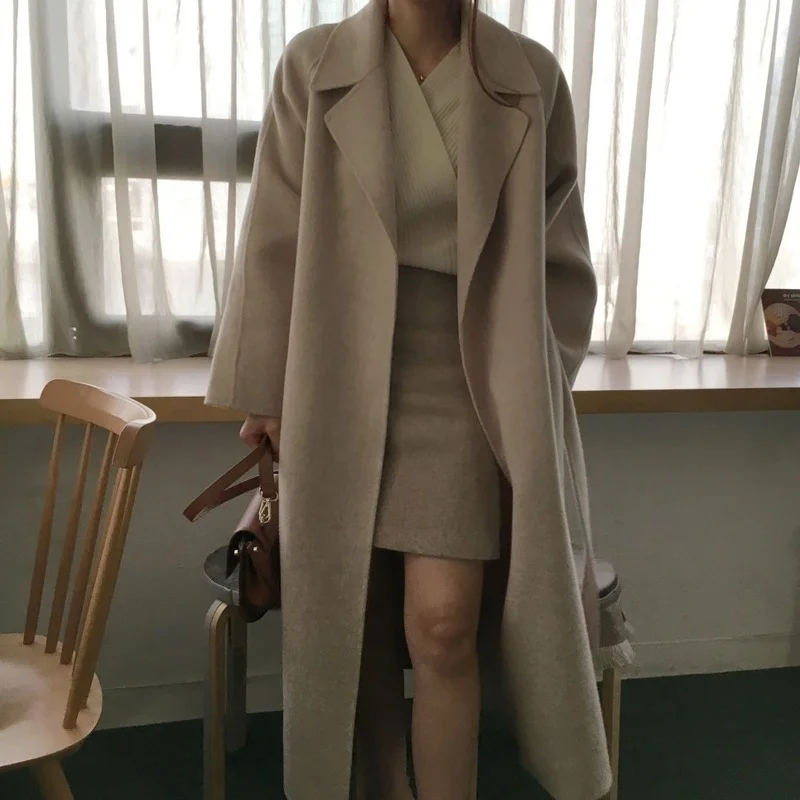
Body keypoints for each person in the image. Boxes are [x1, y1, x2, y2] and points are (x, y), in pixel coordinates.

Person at [206, 0, 611, 797]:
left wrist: (532, 378)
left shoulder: (531, 77)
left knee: (443, 622)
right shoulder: (313, 64)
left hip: (470, 378)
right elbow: (273, 237)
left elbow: (562, 254)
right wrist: (265, 389)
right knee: (353, 614)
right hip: (334, 368)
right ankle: (385, 784)